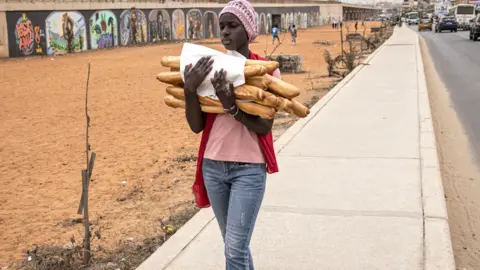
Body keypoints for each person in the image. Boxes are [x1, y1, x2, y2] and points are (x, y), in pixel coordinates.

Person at [182, 0, 280, 269]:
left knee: (235, 249)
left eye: (232, 26)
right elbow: (196, 126)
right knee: (233, 246)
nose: (225, 32)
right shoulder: (208, 67)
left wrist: (232, 107)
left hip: (248, 170)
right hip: (213, 167)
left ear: (248, 30)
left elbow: (265, 127)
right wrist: (190, 90)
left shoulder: (266, 70)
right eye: (222, 26)